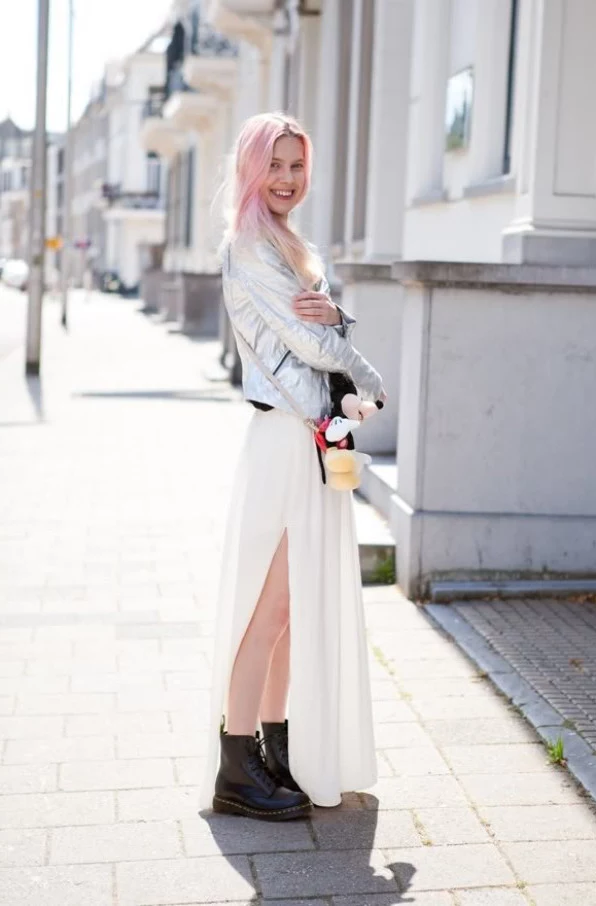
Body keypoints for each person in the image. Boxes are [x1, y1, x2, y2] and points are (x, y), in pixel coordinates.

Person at [199, 112, 386, 821]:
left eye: (296, 166)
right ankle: (235, 765)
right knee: (270, 605)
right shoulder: (249, 246)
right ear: (250, 169)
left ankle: (274, 752)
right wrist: (369, 378)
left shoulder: (291, 243)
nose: (286, 179)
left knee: (291, 608)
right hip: (283, 439)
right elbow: (312, 347)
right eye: (273, 165)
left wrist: (336, 323)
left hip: (312, 438)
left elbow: (325, 328)